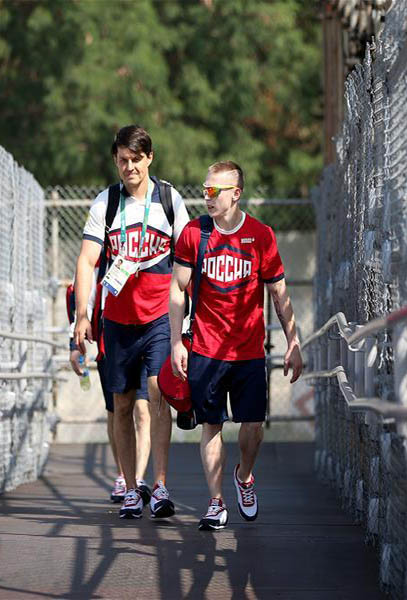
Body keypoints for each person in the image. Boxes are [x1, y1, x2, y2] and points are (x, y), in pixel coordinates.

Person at [168, 160, 303, 531]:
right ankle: (215, 502)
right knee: (210, 425)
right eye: (204, 189)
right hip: (206, 350)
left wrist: (293, 342)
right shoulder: (194, 233)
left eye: (215, 191)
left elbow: (279, 293)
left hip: (248, 350)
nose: (206, 196)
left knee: (253, 428)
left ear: (236, 193)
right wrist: (177, 341)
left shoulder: (261, 235)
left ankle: (244, 477)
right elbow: (178, 289)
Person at [74, 125, 189, 519]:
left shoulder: (169, 200)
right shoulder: (106, 203)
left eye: (136, 160)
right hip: (117, 322)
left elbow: (188, 261)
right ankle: (129, 485)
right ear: (115, 161)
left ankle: (158, 485)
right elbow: (87, 261)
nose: (129, 167)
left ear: (149, 158)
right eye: (122, 160)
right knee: (121, 405)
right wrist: (82, 316)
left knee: (157, 396)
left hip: (159, 317)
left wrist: (188, 321)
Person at [66, 281, 152, 504]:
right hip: (112, 345)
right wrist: (75, 347)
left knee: (143, 409)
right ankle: (124, 474)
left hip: (147, 332)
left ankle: (139, 478)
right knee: (117, 409)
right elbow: (81, 300)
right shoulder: (98, 260)